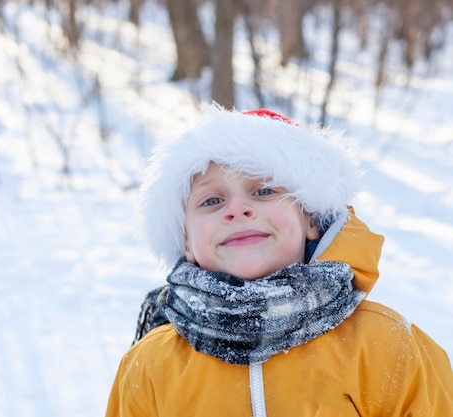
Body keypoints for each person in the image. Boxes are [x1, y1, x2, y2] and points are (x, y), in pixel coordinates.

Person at [105, 106, 453, 416]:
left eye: (264, 190)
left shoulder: (389, 346)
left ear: (312, 221)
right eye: (212, 201)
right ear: (187, 243)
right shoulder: (150, 366)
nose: (237, 209)